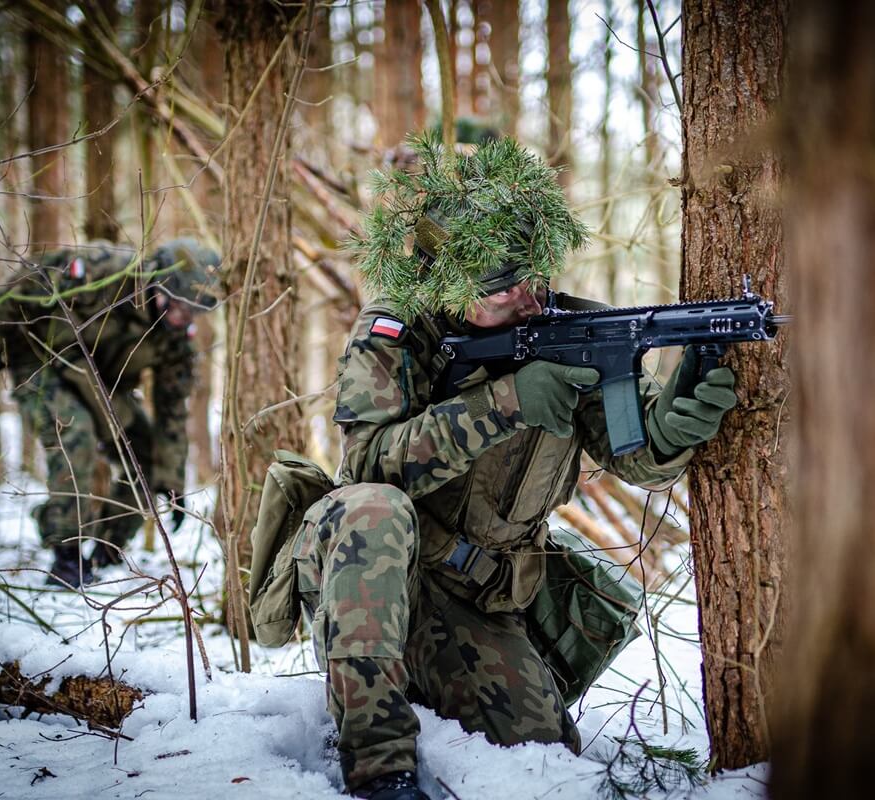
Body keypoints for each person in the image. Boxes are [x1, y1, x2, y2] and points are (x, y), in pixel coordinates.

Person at [299, 135, 738, 800]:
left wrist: (672, 426)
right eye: (503, 290)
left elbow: (639, 458)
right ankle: (378, 764)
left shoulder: (572, 330)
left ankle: (430, 688)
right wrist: (503, 403)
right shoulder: (399, 330)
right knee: (370, 508)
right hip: (374, 581)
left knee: (543, 763)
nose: (529, 300)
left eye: (536, 277)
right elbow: (367, 466)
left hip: (480, 603)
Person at [0, 239, 221, 587]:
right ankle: (67, 555)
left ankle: (108, 547)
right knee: (76, 433)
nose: (183, 317)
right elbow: (21, 290)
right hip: (43, 362)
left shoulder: (176, 337)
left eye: (194, 311)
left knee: (148, 454)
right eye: (178, 305)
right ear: (156, 282)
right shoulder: (104, 270)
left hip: (102, 382)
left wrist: (172, 481)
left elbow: (172, 408)